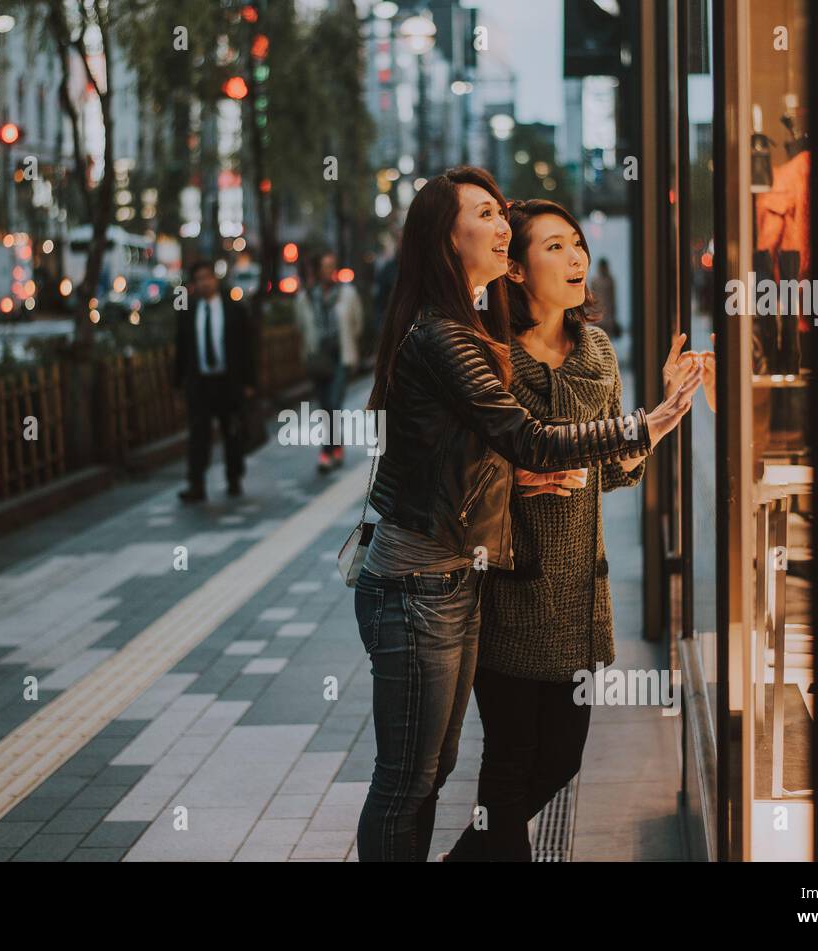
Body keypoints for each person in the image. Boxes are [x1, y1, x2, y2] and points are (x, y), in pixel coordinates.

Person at [353, 166, 701, 862]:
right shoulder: (455, 337)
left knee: (435, 771)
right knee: (415, 778)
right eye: (484, 213)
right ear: (448, 241)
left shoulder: (521, 340)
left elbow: (527, 456)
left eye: (501, 211)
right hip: (426, 583)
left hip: (456, 583)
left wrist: (548, 462)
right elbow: (526, 437)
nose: (500, 222)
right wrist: (649, 422)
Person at [441, 199, 694, 861]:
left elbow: (611, 467)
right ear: (516, 270)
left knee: (560, 761)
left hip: (580, 598)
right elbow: (464, 464)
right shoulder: (487, 356)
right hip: (508, 593)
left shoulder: (599, 352)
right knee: (508, 764)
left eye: (575, 242)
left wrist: (655, 425)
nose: (575, 255)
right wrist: (516, 476)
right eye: (553, 246)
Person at [173, 260, 257, 503]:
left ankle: (234, 477)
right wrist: (178, 383)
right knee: (198, 435)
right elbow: (181, 349)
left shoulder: (234, 309)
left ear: (216, 280)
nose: (204, 283)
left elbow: (246, 348)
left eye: (208, 277)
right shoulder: (188, 312)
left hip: (228, 382)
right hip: (200, 383)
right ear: (194, 284)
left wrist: (249, 382)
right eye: (199, 279)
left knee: (231, 431)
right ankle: (196, 483)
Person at [294, 251, 363, 473]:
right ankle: (336, 446)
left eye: (331, 266)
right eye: (323, 266)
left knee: (333, 404)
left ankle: (327, 452)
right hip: (318, 359)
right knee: (326, 408)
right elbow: (301, 328)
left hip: (341, 357)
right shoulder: (305, 298)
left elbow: (357, 324)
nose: (328, 271)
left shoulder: (348, 294)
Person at [592, 257, 619, 339]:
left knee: (607, 340)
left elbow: (613, 299)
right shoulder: (595, 281)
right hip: (599, 315)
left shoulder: (610, 280)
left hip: (608, 316)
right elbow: (592, 299)